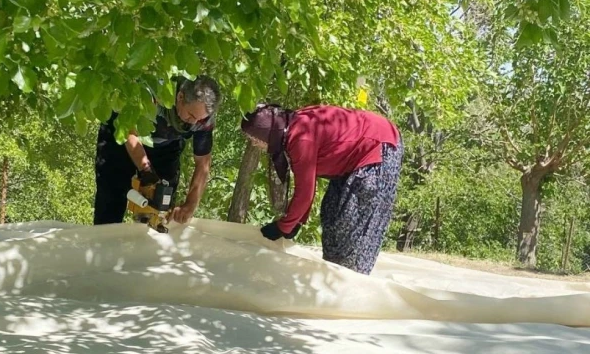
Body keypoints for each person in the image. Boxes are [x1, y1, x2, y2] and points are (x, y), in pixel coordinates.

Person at [240, 103, 403, 275]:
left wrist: (283, 227)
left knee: (351, 224)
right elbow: (307, 181)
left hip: (379, 145)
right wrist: (297, 221)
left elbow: (305, 192)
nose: (256, 144)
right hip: (351, 161)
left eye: (255, 140)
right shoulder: (293, 128)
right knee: (331, 215)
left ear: (267, 134)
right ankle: (334, 276)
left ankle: (348, 284)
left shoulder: (301, 137)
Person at [94, 75, 221, 225]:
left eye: (199, 119)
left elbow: (203, 163)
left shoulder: (203, 118)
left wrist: (191, 203)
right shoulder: (153, 92)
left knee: (161, 203)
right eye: (191, 115)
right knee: (112, 197)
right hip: (124, 135)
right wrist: (146, 171)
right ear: (180, 97)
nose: (194, 122)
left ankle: (152, 240)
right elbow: (128, 133)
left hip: (166, 146)